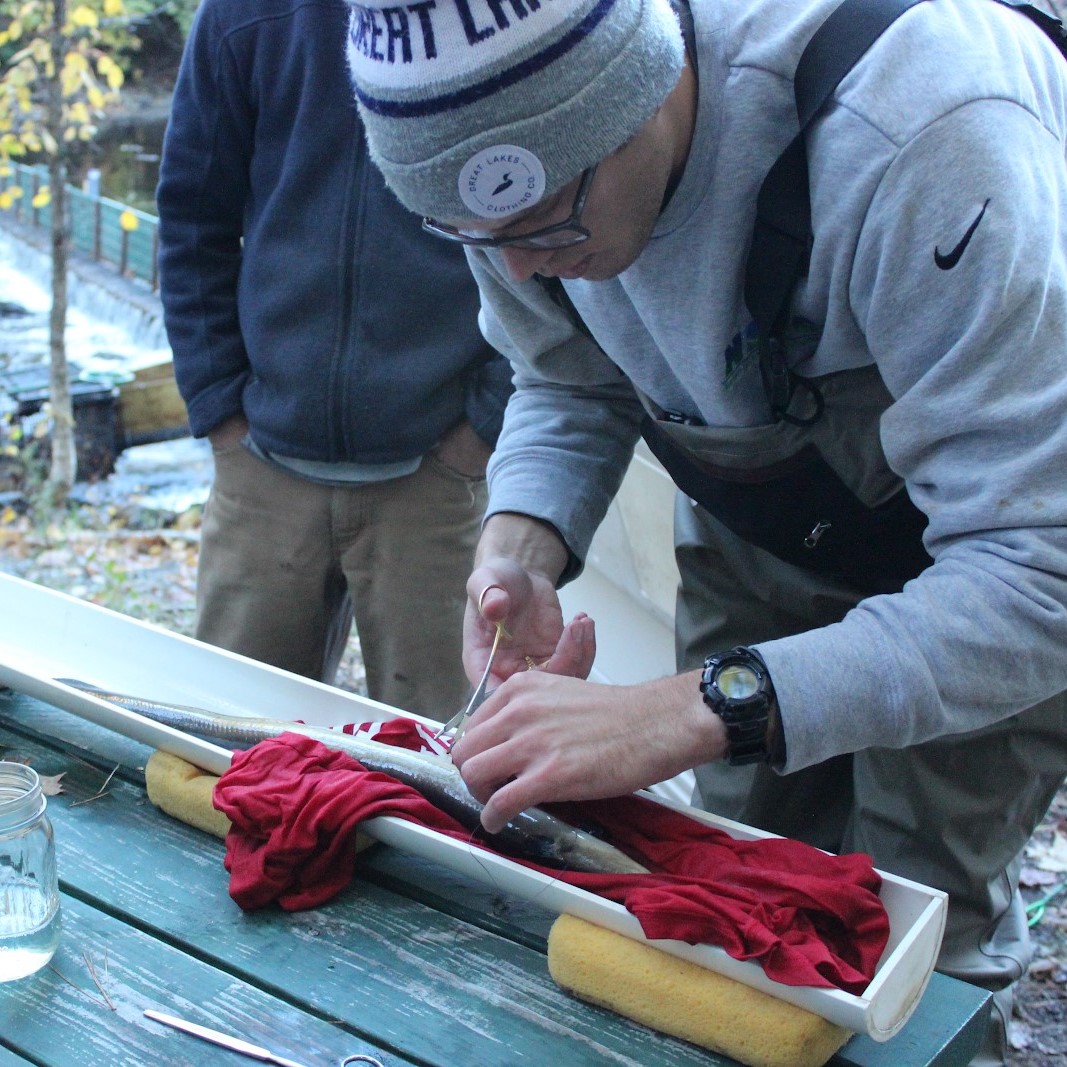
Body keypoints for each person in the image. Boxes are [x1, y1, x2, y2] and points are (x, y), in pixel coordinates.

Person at [343, 0, 1067, 1060]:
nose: (517, 273)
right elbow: (564, 375)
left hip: (995, 565)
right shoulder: (510, 193)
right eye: (472, 240)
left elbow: (1037, 576)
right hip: (760, 524)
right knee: (734, 876)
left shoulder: (925, 127)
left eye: (545, 226)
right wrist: (520, 536)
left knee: (914, 926)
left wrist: (701, 704)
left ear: (642, 90)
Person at [156, 0, 512, 720]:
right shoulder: (243, 16)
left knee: (458, 757)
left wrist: (483, 428)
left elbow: (545, 226)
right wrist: (219, 406)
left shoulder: (500, 18)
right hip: (263, 469)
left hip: (434, 477)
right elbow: (193, 215)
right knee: (231, 745)